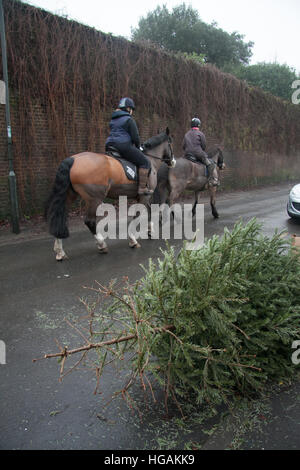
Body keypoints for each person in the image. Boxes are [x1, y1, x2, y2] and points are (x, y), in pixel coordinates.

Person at [105, 97, 153, 195]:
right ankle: (142, 188)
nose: (132, 111)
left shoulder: (113, 119)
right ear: (128, 109)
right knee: (145, 162)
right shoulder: (129, 119)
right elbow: (135, 137)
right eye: (131, 109)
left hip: (109, 144)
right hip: (123, 146)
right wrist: (139, 146)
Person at [182, 117, 217, 186]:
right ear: (198, 125)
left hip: (187, 154)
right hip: (198, 153)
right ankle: (210, 180)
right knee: (211, 164)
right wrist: (201, 151)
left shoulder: (186, 134)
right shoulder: (200, 134)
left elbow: (183, 146)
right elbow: (203, 146)